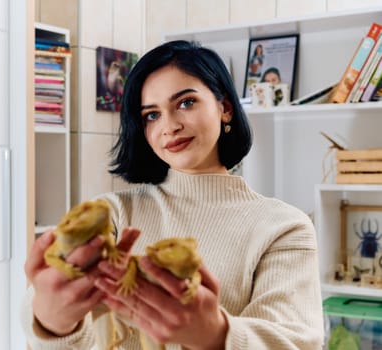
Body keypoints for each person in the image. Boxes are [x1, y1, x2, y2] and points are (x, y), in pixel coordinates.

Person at [22, 40, 324, 349]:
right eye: (151, 115)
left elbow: (295, 342)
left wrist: (215, 334)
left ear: (225, 108)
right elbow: (53, 327)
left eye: (186, 103)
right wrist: (52, 323)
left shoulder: (285, 227)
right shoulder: (110, 214)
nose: (169, 126)